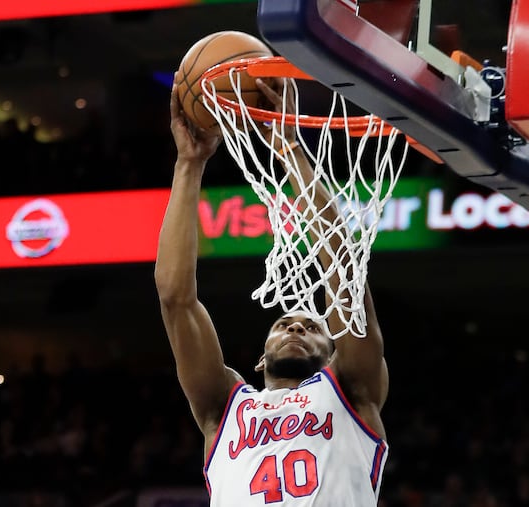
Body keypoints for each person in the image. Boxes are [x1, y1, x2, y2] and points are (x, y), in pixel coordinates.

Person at [155, 72, 389, 506]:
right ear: (261, 358)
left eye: (311, 327)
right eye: (285, 323)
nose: (297, 329)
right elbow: (175, 300)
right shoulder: (223, 407)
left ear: (334, 348)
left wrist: (289, 150)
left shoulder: (352, 390)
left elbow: (342, 270)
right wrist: (189, 165)